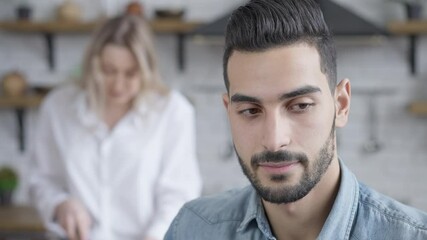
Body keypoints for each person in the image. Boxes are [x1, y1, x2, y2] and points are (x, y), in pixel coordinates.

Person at [164, 0, 427, 239]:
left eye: (300, 106)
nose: (274, 140)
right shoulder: (193, 229)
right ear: (228, 112)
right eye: (250, 111)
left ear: (341, 105)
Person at [29, 15, 202, 240]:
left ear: (147, 69)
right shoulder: (58, 107)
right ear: (92, 65)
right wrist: (60, 203)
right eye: (108, 71)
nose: (118, 85)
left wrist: (155, 235)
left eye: (131, 73)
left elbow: (179, 192)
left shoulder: (173, 111)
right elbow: (41, 179)